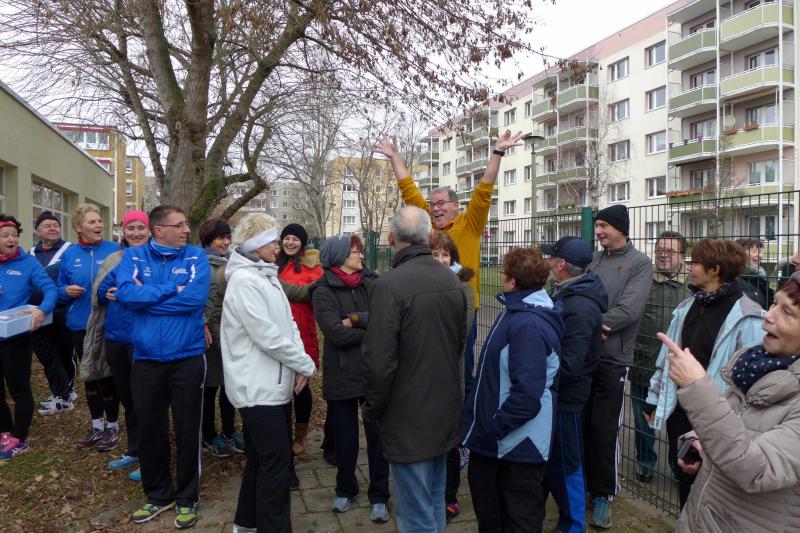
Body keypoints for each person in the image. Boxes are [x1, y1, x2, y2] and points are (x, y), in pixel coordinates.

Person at [373, 131, 523, 396]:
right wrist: (394, 156)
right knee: (430, 361)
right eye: (432, 205)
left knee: (461, 364)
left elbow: (485, 188)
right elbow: (408, 189)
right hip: (428, 304)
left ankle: (463, 412)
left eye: (441, 203)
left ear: (456, 205)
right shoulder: (426, 225)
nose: (435, 209)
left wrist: (498, 152)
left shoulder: (470, 223)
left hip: (462, 307)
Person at [657, 270, 800, 532]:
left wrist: (697, 387)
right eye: (774, 303)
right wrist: (699, 442)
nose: (768, 315)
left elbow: (756, 470)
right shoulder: (752, 366)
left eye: (787, 312)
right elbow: (737, 423)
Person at [362, 206, 467, 533]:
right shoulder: (452, 281)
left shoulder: (388, 285)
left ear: (391, 238)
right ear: (430, 236)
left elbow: (379, 361)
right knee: (434, 501)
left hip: (407, 418)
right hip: (443, 410)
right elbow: (459, 345)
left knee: (415, 514)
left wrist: (372, 408)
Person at [644, 238, 763, 509]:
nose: (689, 267)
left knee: (712, 487)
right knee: (684, 479)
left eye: (695, 263)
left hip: (718, 418)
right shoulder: (687, 308)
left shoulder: (748, 318)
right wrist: (654, 398)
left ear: (715, 270)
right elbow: (668, 359)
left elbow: (751, 384)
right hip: (681, 412)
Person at [114, 205, 210, 529]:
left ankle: (187, 498)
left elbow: (194, 300)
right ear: (159, 230)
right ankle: (158, 495)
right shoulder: (133, 256)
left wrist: (147, 298)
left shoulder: (195, 257)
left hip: (187, 357)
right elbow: (127, 295)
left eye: (186, 224)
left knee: (187, 431)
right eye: (179, 225)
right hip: (146, 359)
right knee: (150, 430)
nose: (187, 230)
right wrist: (171, 289)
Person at [220, 213, 316, 533]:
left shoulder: (267, 275)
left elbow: (288, 325)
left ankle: (245, 524)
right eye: (273, 241)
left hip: (272, 385)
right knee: (277, 462)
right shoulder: (245, 281)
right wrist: (305, 364)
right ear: (256, 245)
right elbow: (267, 337)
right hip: (256, 388)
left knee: (263, 458)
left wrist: (299, 360)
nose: (279, 246)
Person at [463, 246, 563, 533]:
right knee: (493, 515)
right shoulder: (517, 310)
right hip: (504, 444)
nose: (501, 277)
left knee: (518, 519)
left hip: (515, 446)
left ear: (513, 281)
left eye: (504, 273)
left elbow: (527, 394)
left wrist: (494, 427)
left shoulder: (527, 323)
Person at [311, 234, 390, 523]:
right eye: (355, 251)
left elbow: (386, 319)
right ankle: (345, 489)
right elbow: (335, 333)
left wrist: (355, 319)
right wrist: (372, 328)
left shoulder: (373, 282)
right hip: (342, 374)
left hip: (374, 371)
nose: (361, 255)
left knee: (378, 439)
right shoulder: (322, 290)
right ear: (338, 256)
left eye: (359, 251)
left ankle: (379, 495)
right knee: (345, 440)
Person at [584, 204, 652, 529]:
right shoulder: (593, 261)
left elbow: (629, 310)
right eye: (596, 225)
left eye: (603, 226)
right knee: (582, 424)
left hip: (613, 359)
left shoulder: (640, 263)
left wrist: (588, 325)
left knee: (605, 429)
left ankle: (604, 494)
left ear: (621, 229)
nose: (598, 231)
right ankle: (584, 485)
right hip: (585, 356)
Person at [542, 236, 607, 533]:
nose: (547, 262)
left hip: (567, 397)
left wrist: (539, 376)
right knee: (554, 458)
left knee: (567, 460)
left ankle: (573, 525)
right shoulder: (566, 294)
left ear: (561, 265)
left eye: (551, 257)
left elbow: (571, 364)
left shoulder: (578, 306)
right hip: (558, 393)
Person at [56, 204, 120, 450]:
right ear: (78, 227)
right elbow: (59, 287)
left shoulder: (115, 250)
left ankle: (113, 426)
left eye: (99, 221)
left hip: (106, 324)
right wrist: (65, 291)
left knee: (106, 376)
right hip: (79, 325)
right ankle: (96, 426)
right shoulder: (70, 254)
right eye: (92, 222)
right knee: (89, 376)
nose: (99, 225)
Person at [630, 231, 691, 483]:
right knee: (643, 421)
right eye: (660, 250)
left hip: (679, 368)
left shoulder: (692, 286)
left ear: (683, 256)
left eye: (670, 251)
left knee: (679, 424)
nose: (663, 255)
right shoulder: (643, 281)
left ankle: (679, 467)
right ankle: (645, 462)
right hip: (643, 362)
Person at [96, 210, 151, 480]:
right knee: (127, 398)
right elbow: (101, 291)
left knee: (147, 399)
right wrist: (106, 292)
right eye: (131, 228)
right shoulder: (119, 259)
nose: (136, 233)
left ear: (150, 231)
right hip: (116, 337)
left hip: (143, 338)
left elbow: (155, 294)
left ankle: (151, 457)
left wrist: (129, 293)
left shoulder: (156, 258)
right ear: (124, 231)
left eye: (141, 228)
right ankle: (135, 450)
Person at [0, 215, 57, 460]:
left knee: (19, 389)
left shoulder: (28, 263)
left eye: (14, 235)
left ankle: (19, 438)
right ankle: (5, 432)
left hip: (16, 337)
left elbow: (50, 289)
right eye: (5, 236)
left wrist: (42, 310)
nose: (11, 239)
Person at [429, 231, 475, 524]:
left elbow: (461, 334)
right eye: (434, 254)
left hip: (449, 374)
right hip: (422, 376)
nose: (440, 260)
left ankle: (449, 497)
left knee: (450, 440)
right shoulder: (419, 283)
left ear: (453, 258)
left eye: (445, 254)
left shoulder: (463, 288)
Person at [277, 223, 323, 460]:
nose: (290, 242)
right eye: (287, 238)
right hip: (278, 331)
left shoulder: (311, 267)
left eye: (295, 239)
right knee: (281, 384)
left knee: (301, 386)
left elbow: (316, 295)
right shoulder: (274, 263)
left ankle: (301, 434)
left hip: (303, 332)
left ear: (302, 243)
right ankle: (282, 434)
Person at [197, 218, 238, 459]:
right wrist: (209, 328)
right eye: (220, 238)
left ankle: (230, 430)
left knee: (229, 387)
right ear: (208, 240)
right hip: (211, 336)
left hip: (230, 333)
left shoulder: (230, 262)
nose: (225, 242)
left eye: (227, 238)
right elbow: (207, 305)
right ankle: (208, 435)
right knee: (210, 388)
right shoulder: (203, 264)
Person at [29, 211, 76, 414]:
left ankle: (67, 392)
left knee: (65, 352)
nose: (53, 228)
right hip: (37, 312)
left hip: (61, 311)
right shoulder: (31, 253)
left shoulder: (70, 250)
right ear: (37, 231)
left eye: (55, 225)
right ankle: (60, 391)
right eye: (47, 225)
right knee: (48, 355)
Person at [736, 237, 774, 309]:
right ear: (739, 254)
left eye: (760, 251)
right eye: (754, 251)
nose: (759, 255)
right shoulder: (737, 279)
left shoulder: (760, 274)